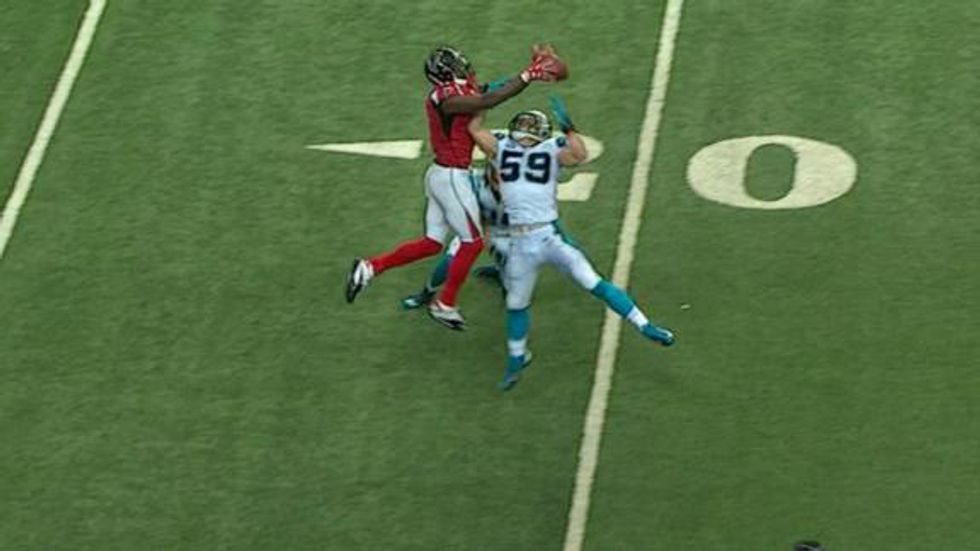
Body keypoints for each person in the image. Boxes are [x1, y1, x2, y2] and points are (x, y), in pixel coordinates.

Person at [345, 45, 561, 331]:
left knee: (432, 243)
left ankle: (370, 267)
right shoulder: (446, 99)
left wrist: (530, 73)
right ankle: (445, 304)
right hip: (451, 176)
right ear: (446, 72)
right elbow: (489, 99)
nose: (463, 66)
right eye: (456, 64)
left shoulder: (457, 92)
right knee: (473, 243)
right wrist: (529, 75)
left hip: (440, 175)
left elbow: (491, 90)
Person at [468, 96, 675, 390]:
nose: (525, 134)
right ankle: (516, 359)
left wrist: (484, 100)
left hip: (546, 236)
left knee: (592, 282)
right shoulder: (511, 148)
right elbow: (476, 131)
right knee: (516, 303)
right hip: (522, 242)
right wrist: (486, 98)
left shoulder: (529, 148)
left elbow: (579, 154)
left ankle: (646, 326)